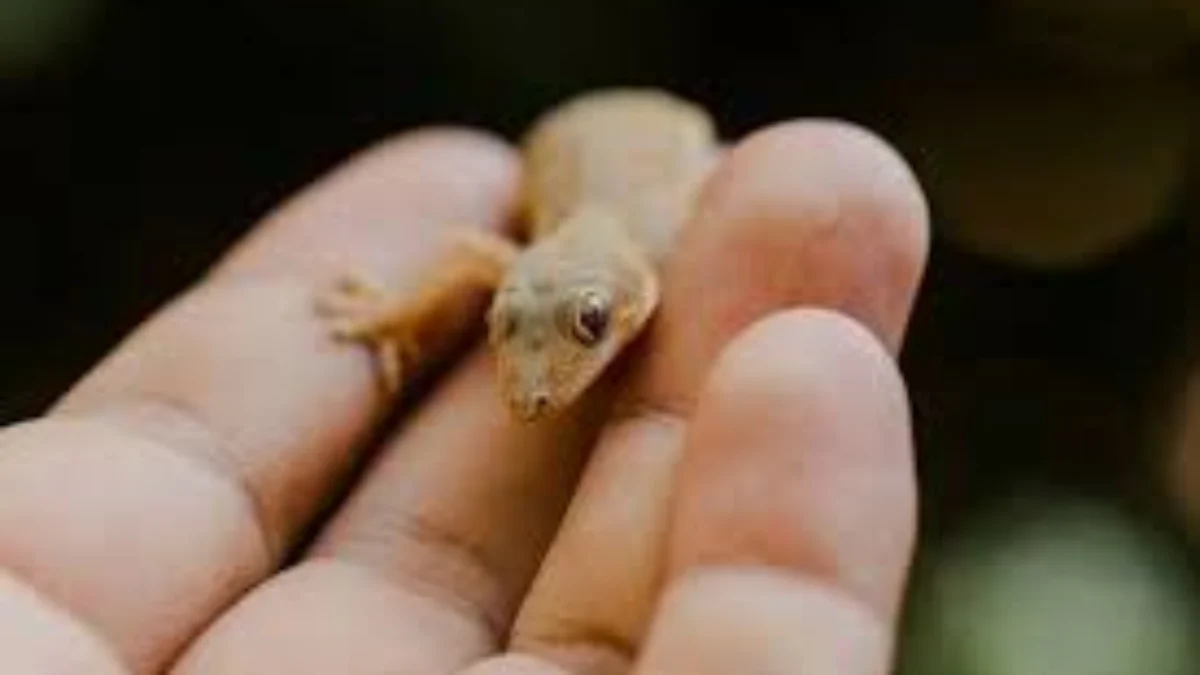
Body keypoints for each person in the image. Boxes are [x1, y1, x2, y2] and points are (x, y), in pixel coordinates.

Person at [0, 119, 928, 674]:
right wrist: (402, 316)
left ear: (633, 293)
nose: (532, 387)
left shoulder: (666, 244)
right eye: (506, 330)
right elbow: (478, 264)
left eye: (587, 327)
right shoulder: (527, 264)